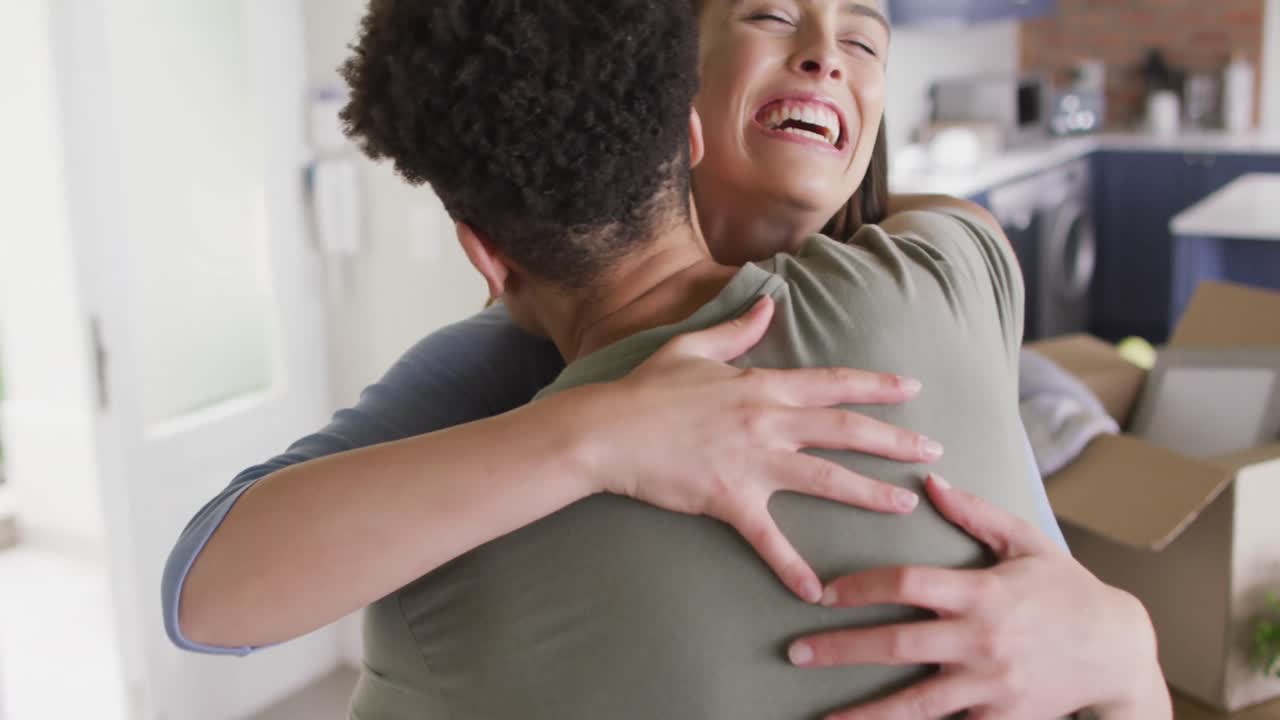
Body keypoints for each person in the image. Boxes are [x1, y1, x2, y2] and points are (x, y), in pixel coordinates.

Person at [164, 0, 1171, 717]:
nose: (825, 54)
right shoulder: (498, 369)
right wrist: (600, 430)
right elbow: (211, 589)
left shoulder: (930, 289)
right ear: (675, 106)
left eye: (863, 37)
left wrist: (1120, 645)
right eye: (771, 18)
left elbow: (1044, 568)